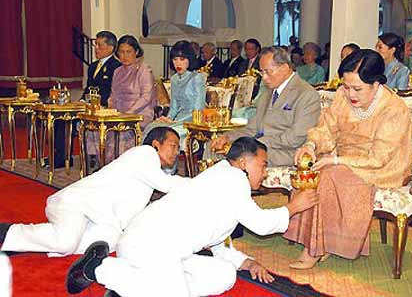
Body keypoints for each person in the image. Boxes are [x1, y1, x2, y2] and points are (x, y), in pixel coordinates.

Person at [65, 137, 320, 297]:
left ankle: (133, 287)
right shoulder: (233, 179)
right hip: (148, 246)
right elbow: (262, 224)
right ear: (243, 162)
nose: (264, 173)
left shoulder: (222, 177)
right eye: (263, 165)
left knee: (224, 275)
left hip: (169, 252)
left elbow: (216, 239)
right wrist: (294, 207)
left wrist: (247, 263)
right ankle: (99, 269)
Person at [285, 49, 412, 269]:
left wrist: (336, 161)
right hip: (344, 156)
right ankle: (320, 241)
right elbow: (327, 127)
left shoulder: (394, 109)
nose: (350, 94)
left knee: (330, 176)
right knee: (311, 169)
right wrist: (311, 145)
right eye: (346, 86)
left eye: (357, 89)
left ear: (376, 84)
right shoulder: (343, 96)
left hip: (381, 166)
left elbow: (380, 158)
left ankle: (314, 249)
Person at [0, 127, 188, 256]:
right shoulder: (144, 153)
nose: (176, 151)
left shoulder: (151, 167)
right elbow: (167, 184)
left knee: (112, 241)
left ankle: (34, 241)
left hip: (99, 216)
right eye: (173, 145)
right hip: (75, 204)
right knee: (66, 242)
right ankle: (8, 232)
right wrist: (198, 184)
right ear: (156, 144)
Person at [211, 46, 321, 167]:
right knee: (213, 146)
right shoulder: (268, 92)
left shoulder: (306, 94)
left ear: (284, 68)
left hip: (284, 152)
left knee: (239, 156)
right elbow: (253, 127)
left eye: (267, 72)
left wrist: (256, 144)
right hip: (259, 147)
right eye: (261, 72)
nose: (263, 77)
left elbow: (296, 137)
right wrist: (227, 137)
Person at [47, 31, 121, 169]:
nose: (96, 49)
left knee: (68, 120)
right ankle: (61, 156)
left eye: (99, 45)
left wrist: (94, 103)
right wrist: (81, 101)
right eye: (95, 45)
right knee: (60, 118)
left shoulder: (116, 67)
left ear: (111, 48)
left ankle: (80, 157)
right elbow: (88, 88)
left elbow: (111, 91)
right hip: (87, 105)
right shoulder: (93, 66)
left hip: (103, 107)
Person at [87, 35, 157, 165]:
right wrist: (110, 110)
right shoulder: (118, 71)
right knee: (95, 128)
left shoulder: (144, 70)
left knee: (119, 132)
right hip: (119, 112)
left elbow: (146, 97)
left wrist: (129, 112)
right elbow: (113, 95)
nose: (124, 56)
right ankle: (104, 165)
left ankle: (120, 166)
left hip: (139, 114)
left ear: (136, 52)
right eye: (121, 52)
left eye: (128, 52)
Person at [143, 40, 206, 151]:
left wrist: (176, 122)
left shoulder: (197, 78)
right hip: (177, 120)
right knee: (151, 127)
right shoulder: (174, 79)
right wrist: (168, 118)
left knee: (167, 135)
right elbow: (174, 106)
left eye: (182, 59)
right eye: (175, 59)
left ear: (189, 60)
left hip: (193, 121)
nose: (178, 63)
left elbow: (198, 109)